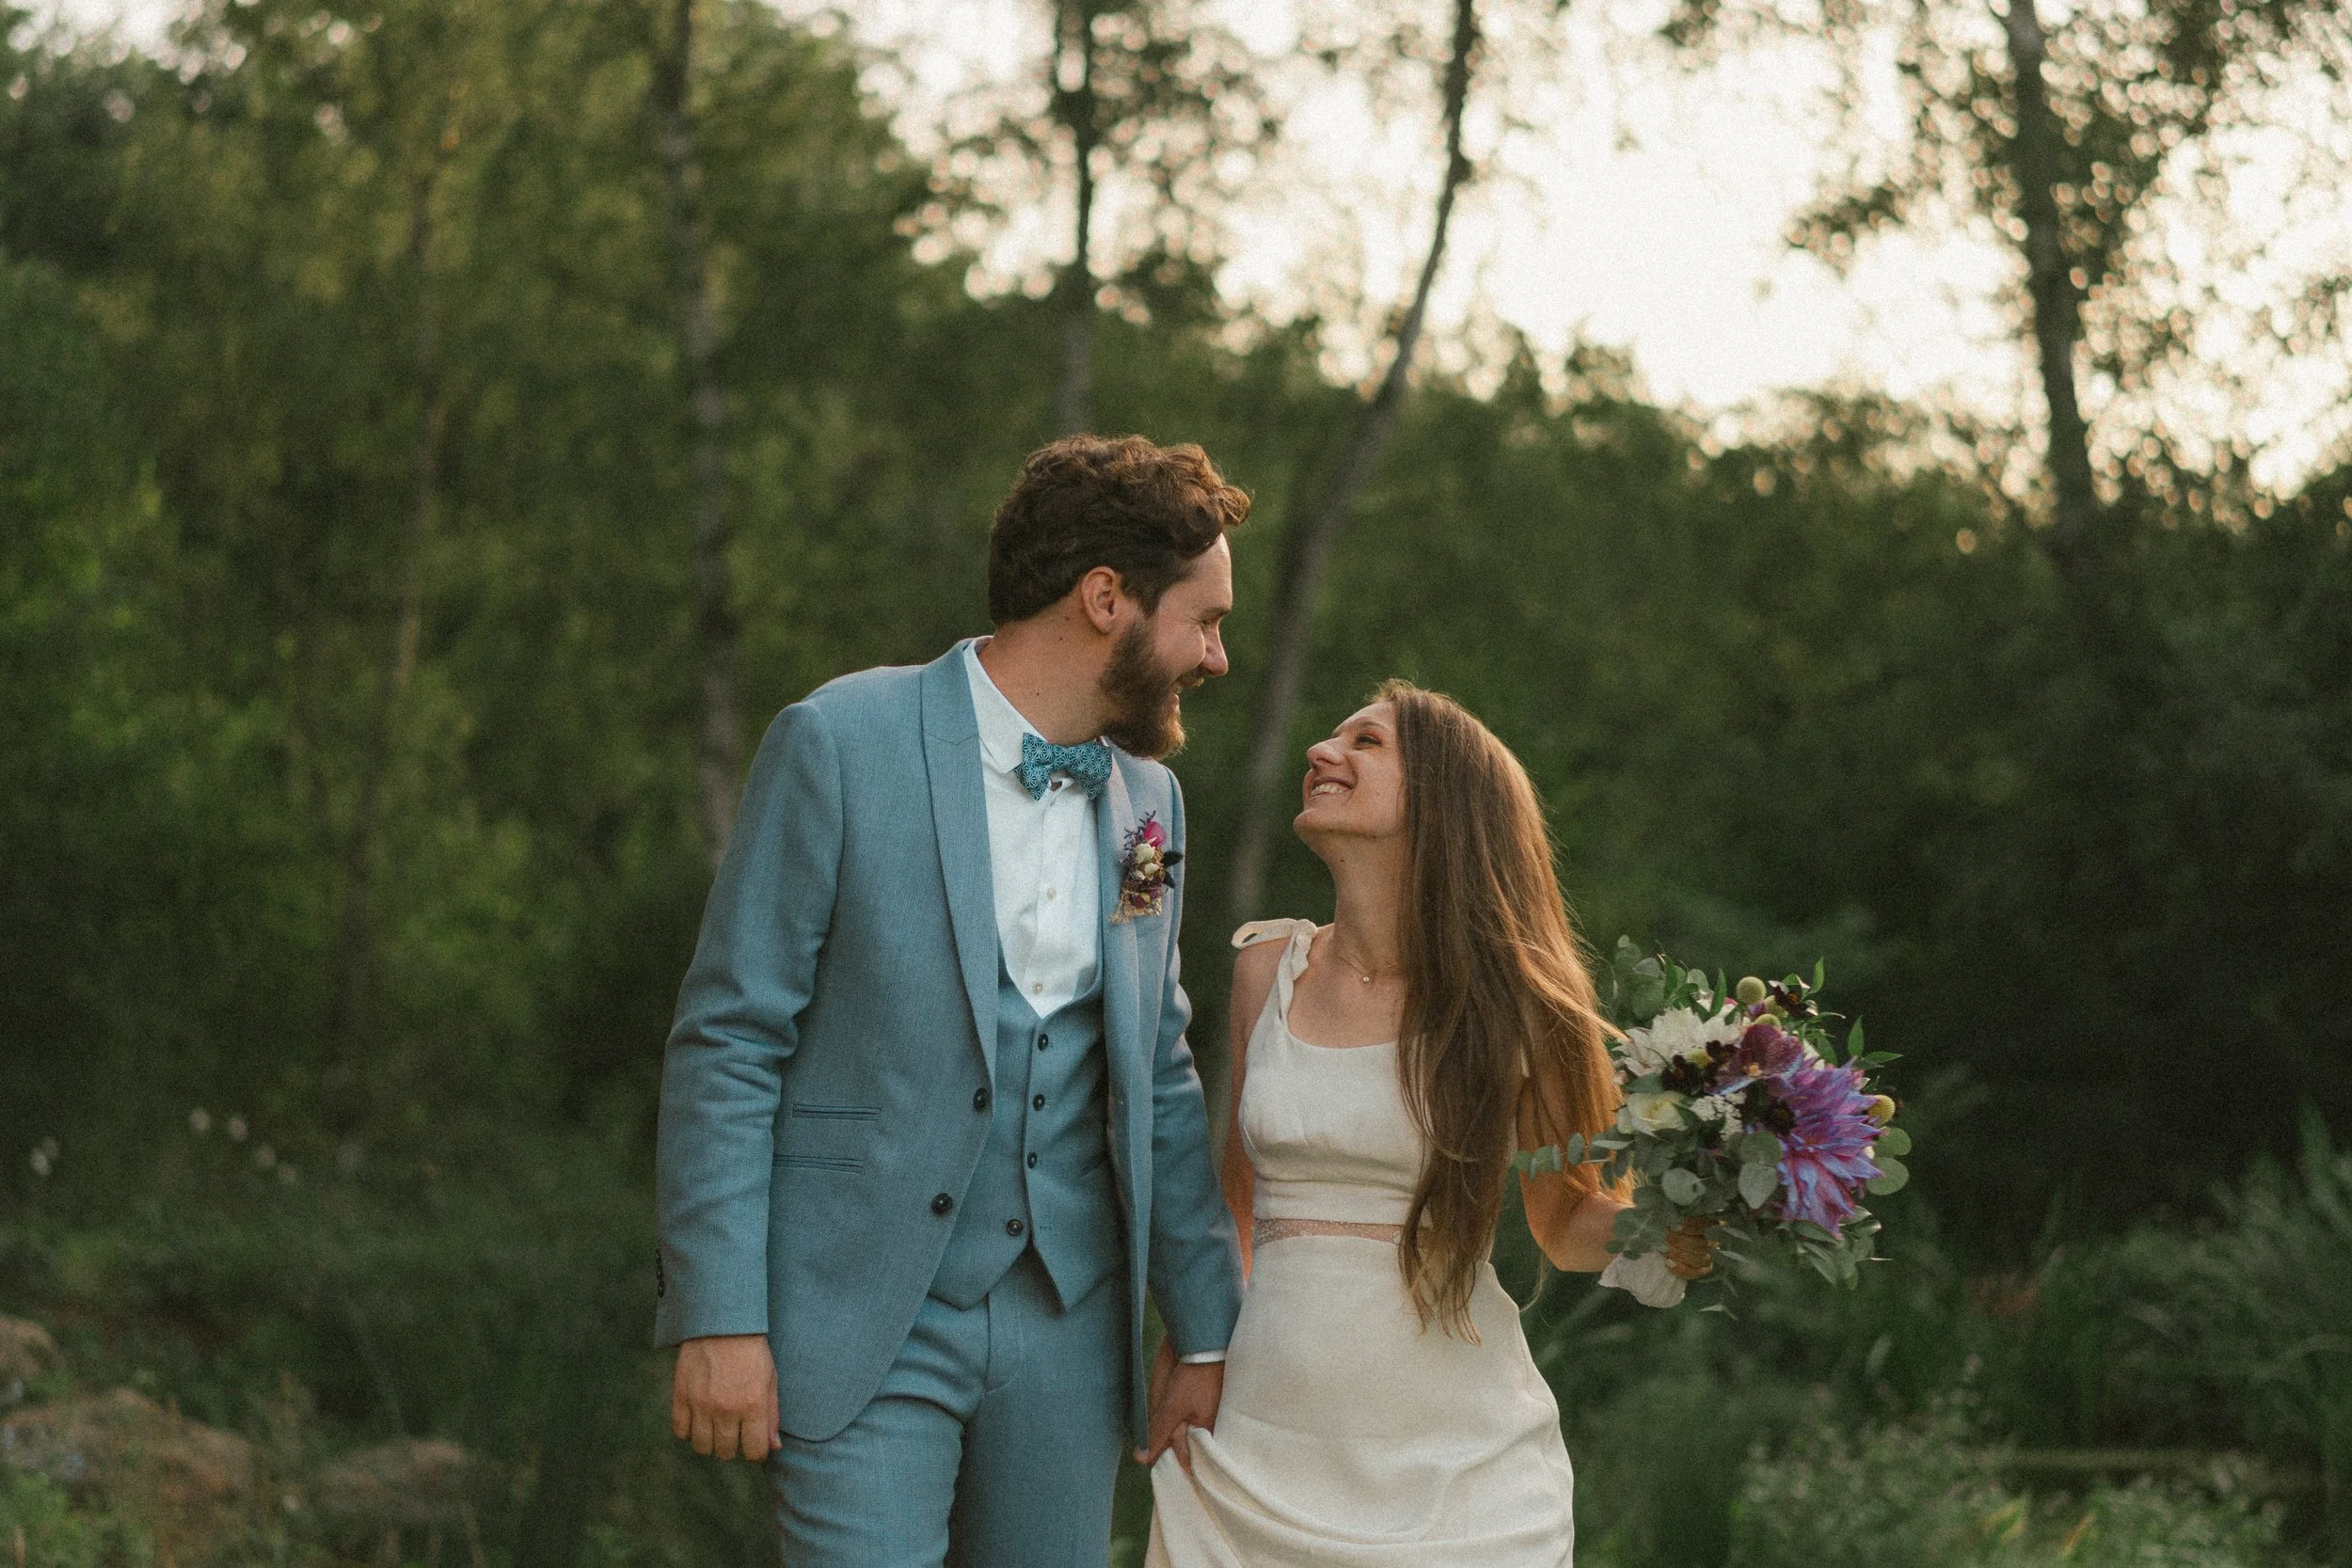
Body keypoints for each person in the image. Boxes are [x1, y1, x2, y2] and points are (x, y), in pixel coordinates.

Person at [655, 435, 1249, 1567]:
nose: (1215, 657)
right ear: (1105, 599)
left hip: (1069, 1332)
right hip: (858, 1313)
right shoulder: (838, 739)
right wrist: (720, 1309)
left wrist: (1204, 1322)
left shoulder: (1148, 804)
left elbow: (1160, 1073)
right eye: (1204, 619)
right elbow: (729, 1042)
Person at [1147, 680, 1637, 1567]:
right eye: (1332, 738)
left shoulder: (1520, 1006)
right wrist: (1194, 1350)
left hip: (1456, 1477)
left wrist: (1692, 1212)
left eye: (1365, 742)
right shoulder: (1267, 969)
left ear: (1443, 799)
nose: (1321, 753)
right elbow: (1236, 1208)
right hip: (1255, 1460)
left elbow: (1565, 1224)